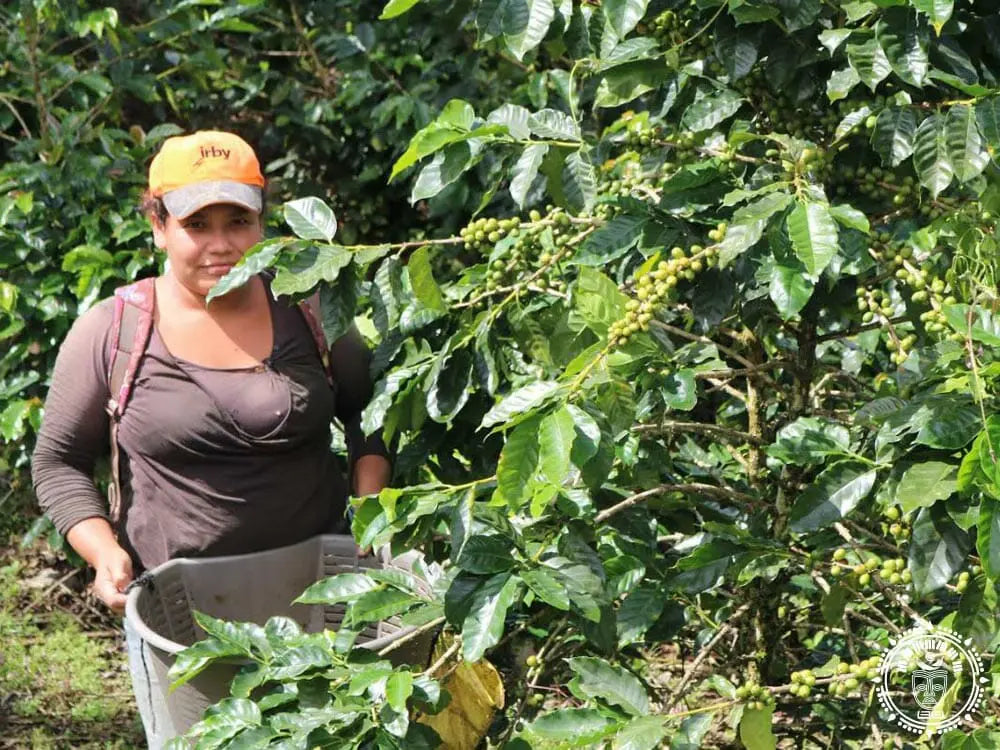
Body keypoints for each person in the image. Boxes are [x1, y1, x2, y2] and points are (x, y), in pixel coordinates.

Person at [30, 130, 392, 745]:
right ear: (159, 226)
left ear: (263, 222)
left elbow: (371, 417)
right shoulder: (113, 333)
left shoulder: (307, 307)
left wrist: (370, 511)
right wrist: (103, 554)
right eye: (198, 224)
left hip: (322, 595)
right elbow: (58, 462)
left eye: (238, 222)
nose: (221, 245)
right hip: (182, 613)